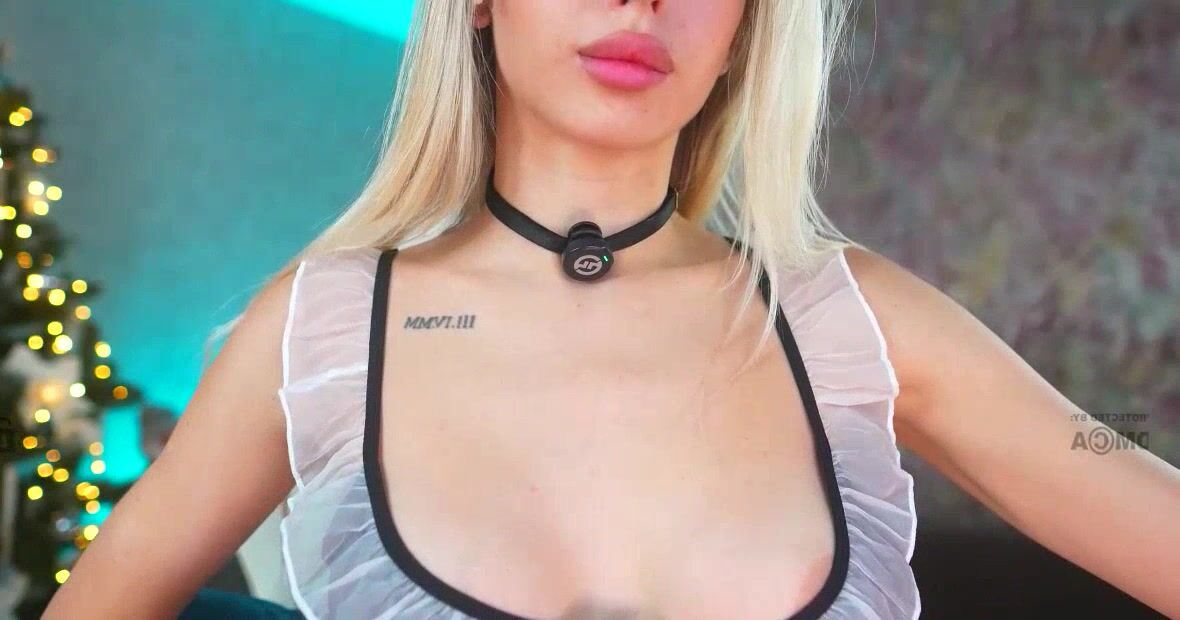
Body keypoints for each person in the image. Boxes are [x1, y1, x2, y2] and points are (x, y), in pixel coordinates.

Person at [44, 0, 1180, 619]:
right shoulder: (322, 331)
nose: (645, 0)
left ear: (746, 27)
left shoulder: (853, 323)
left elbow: (1103, 461)